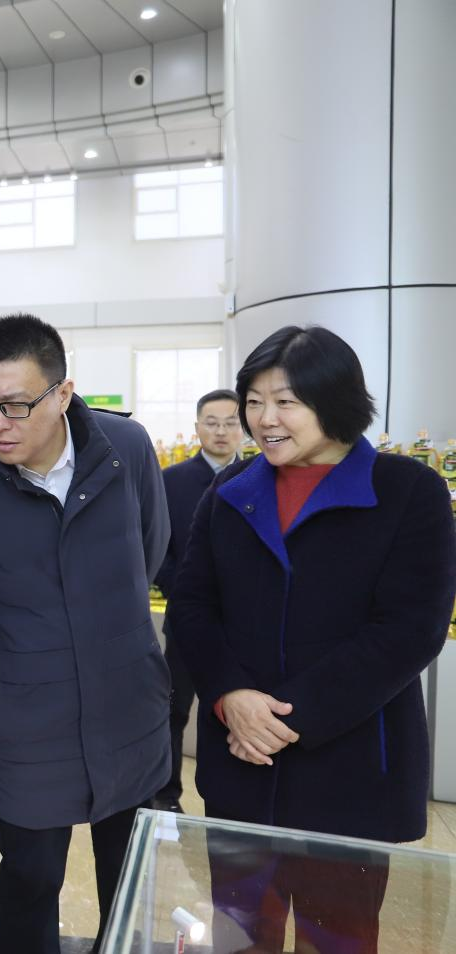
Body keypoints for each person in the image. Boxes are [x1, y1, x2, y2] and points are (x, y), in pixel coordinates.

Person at [168, 325, 456, 954]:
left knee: (338, 939)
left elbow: (411, 629)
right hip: (242, 766)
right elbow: (192, 604)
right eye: (254, 401)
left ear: (336, 400)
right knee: (240, 934)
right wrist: (230, 696)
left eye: (286, 402)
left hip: (349, 769)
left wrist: (282, 718)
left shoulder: (407, 491)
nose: (264, 420)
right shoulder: (230, 490)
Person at [0, 313, 170, 954]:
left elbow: (149, 546)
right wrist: (23, 659)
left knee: (129, 883)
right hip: (26, 723)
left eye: (17, 405)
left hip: (129, 709)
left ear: (63, 393)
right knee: (30, 881)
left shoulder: (125, 448)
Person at [150, 388, 240, 813]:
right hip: (187, 620)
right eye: (212, 422)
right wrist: (187, 594)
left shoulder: (259, 476)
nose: (221, 431)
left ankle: (231, 799)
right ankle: (166, 795)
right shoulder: (170, 481)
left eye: (230, 423)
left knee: (236, 709)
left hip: (244, 624)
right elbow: (157, 548)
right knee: (174, 710)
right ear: (197, 427)